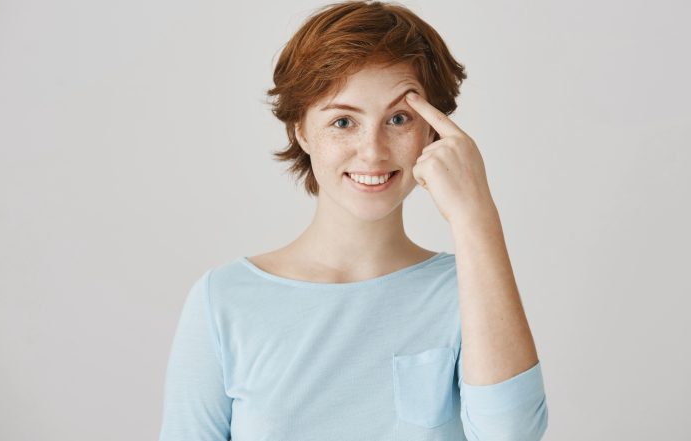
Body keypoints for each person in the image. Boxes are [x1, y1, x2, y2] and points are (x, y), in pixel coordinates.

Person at [158, 1, 548, 440]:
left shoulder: (469, 290)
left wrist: (476, 215)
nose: (373, 151)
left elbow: (511, 435)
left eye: (398, 119)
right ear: (301, 130)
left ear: (433, 131)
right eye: (343, 121)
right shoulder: (224, 300)